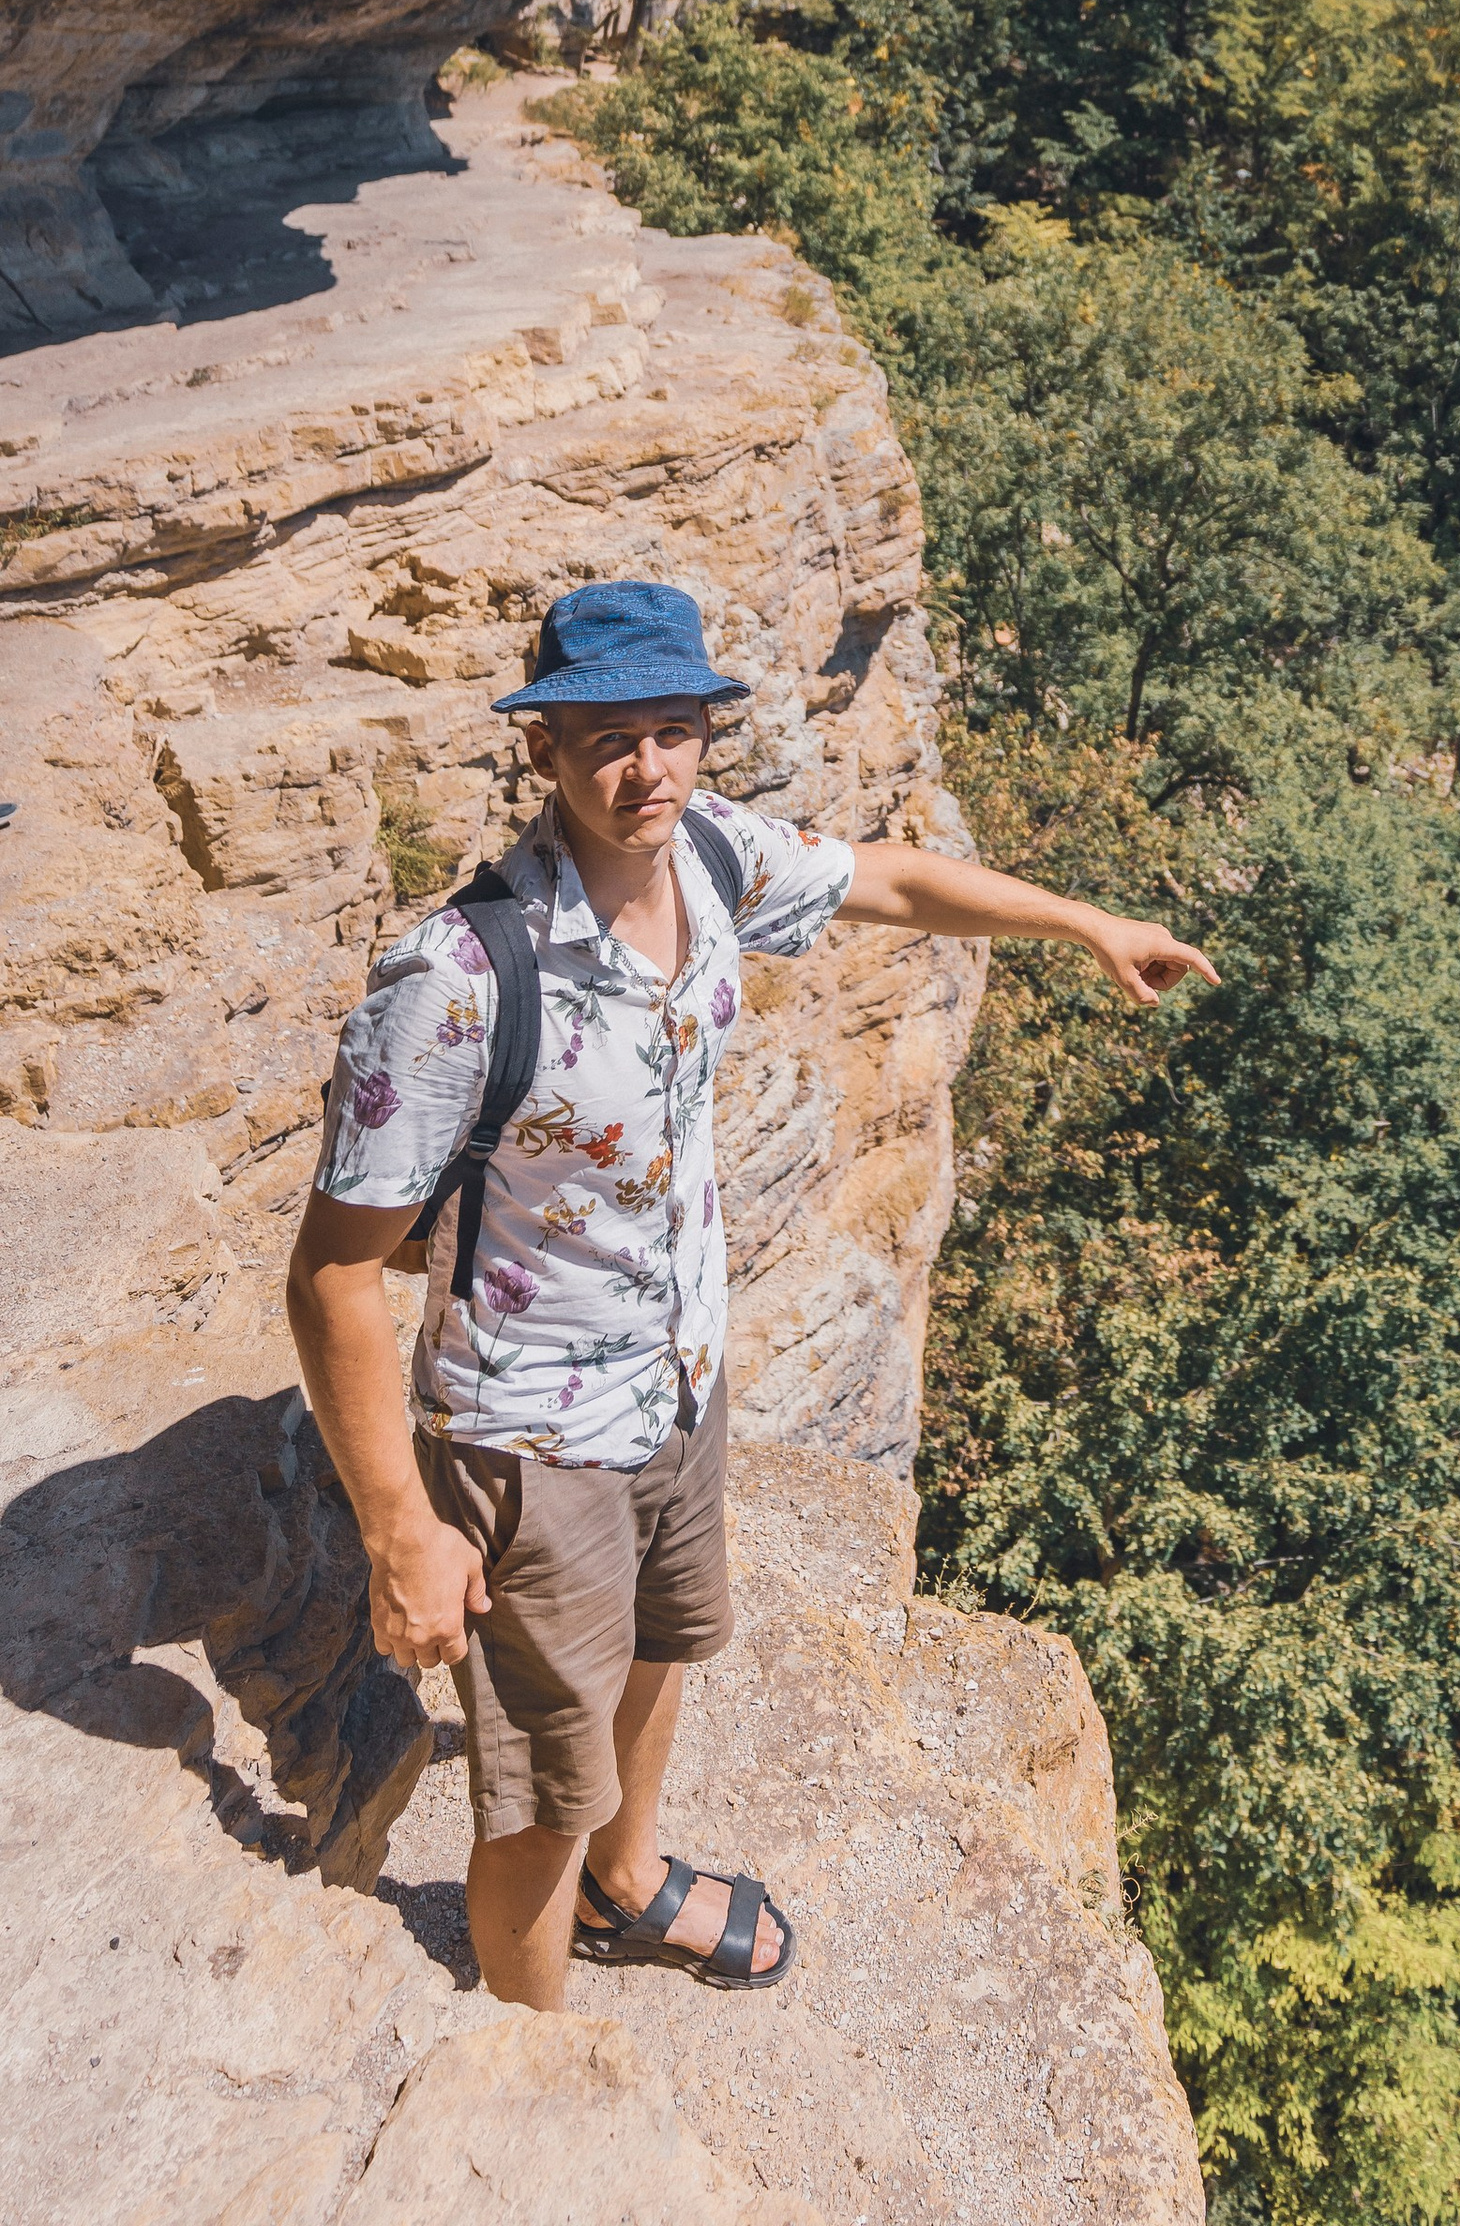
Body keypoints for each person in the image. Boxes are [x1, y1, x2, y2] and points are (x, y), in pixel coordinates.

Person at [287, 578, 1216, 2009]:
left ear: (708, 736)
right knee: (538, 1788)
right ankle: (538, 2078)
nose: (644, 767)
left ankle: (633, 1873)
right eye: (605, 736)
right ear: (543, 749)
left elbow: (892, 878)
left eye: (674, 728)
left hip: (679, 1368)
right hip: (535, 1430)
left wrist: (1087, 924)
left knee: (667, 1642)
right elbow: (337, 1272)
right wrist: (400, 1526)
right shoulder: (465, 975)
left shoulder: (712, 856)